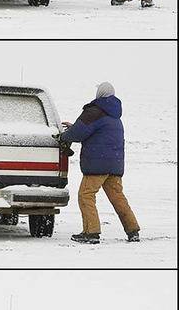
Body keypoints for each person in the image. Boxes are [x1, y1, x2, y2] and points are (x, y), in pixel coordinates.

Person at [60, 82, 140, 245]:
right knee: (118, 197)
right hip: (115, 165)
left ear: (100, 93)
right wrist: (75, 128)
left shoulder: (94, 112)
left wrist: (64, 136)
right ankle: (133, 230)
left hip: (98, 164)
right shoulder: (115, 115)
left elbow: (78, 134)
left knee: (86, 195)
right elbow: (96, 131)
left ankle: (91, 232)